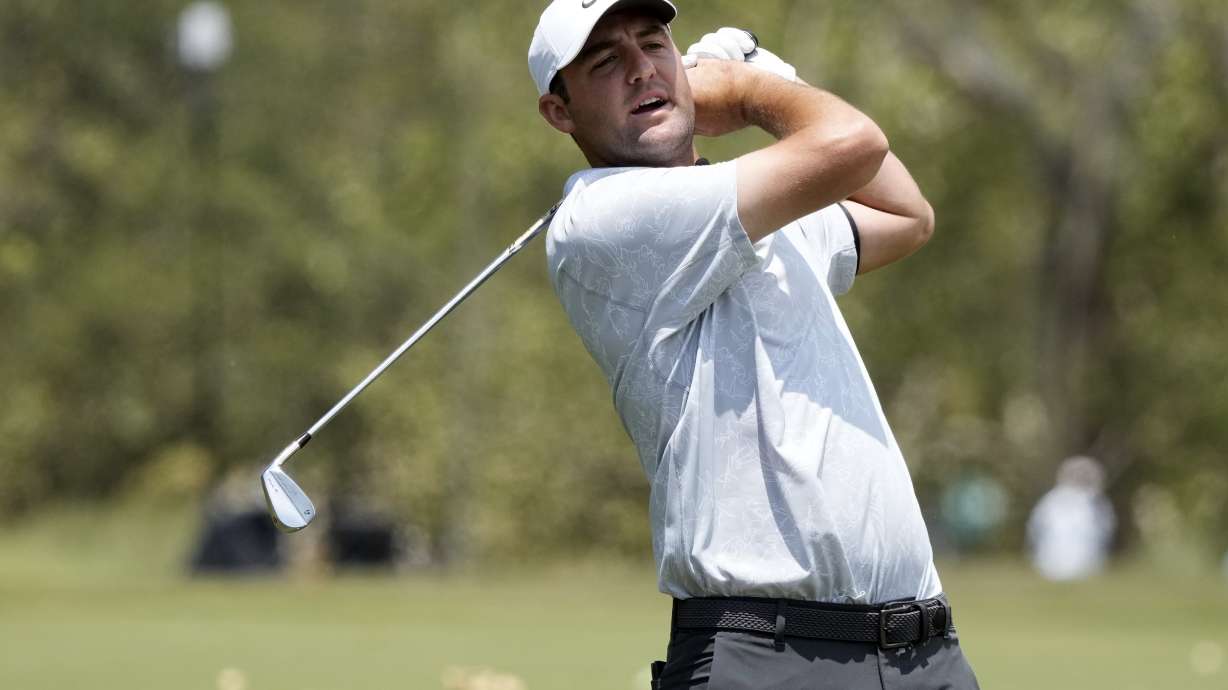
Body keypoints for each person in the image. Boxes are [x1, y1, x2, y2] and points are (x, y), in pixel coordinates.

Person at [529, 1, 979, 687]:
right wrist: (747, 91)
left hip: (923, 652)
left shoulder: (765, 216)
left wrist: (767, 72)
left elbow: (908, 214)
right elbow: (854, 143)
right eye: (606, 63)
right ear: (560, 112)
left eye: (655, 46)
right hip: (767, 659)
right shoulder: (599, 219)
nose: (642, 69)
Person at [1027, 455, 1116, 581]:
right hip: (1086, 567)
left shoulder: (1049, 500)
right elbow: (1106, 532)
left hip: (1049, 567)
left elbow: (1034, 530)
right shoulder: (1095, 502)